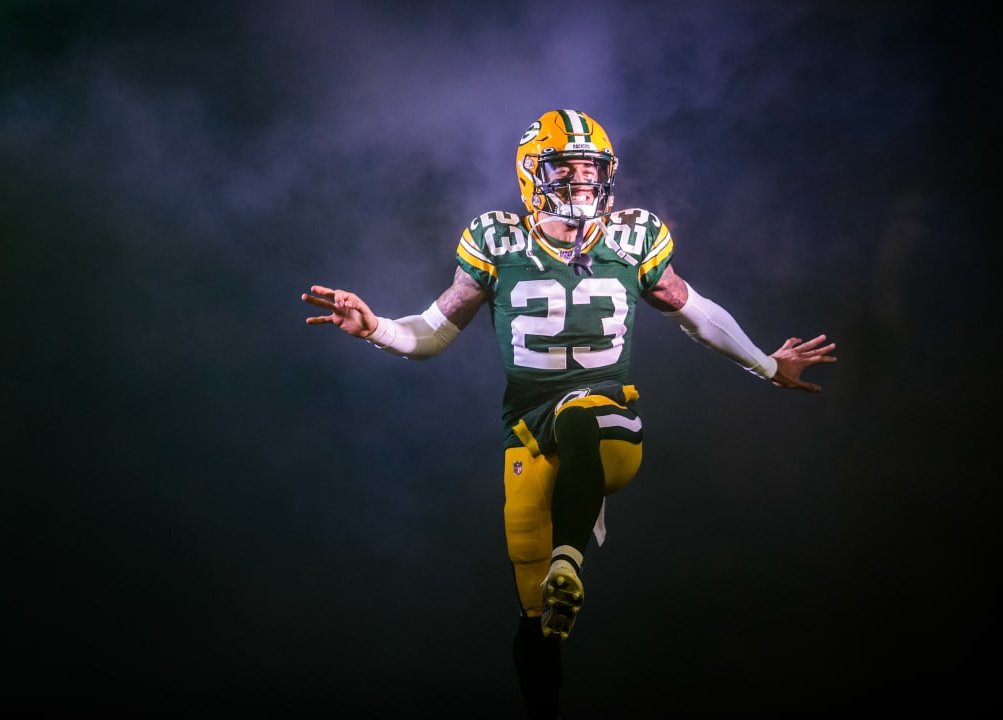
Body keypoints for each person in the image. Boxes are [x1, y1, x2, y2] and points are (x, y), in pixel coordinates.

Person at [301, 109, 836, 718]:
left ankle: (569, 559)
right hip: (527, 435)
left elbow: (698, 311)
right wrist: (377, 329)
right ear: (533, 174)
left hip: (610, 423)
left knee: (579, 410)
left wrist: (766, 365)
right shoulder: (498, 240)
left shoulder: (630, 237)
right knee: (537, 623)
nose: (583, 181)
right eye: (568, 168)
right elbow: (432, 333)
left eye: (592, 169)